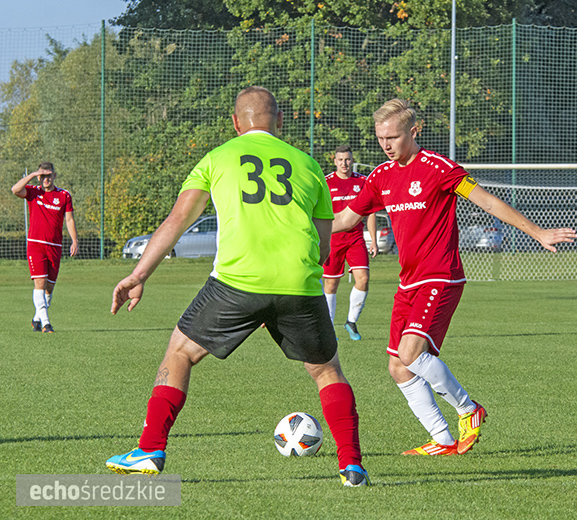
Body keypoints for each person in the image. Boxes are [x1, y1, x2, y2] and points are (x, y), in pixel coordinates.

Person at [105, 86, 369, 487]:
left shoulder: (217, 158)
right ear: (280, 121)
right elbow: (324, 243)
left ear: (235, 123)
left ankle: (149, 449)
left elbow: (178, 220)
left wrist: (138, 275)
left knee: (180, 352)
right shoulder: (308, 164)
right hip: (299, 283)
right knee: (327, 370)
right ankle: (352, 466)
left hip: (236, 284)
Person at [333, 98, 577, 456]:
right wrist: (301, 229)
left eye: (393, 137)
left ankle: (468, 408)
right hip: (408, 282)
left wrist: (537, 232)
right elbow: (345, 219)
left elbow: (488, 202)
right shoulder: (380, 177)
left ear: (414, 131)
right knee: (398, 367)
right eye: (380, 138)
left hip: (440, 276)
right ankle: (443, 439)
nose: (386, 145)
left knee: (410, 353)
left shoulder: (439, 169)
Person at [11, 162, 79, 333]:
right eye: (42, 176)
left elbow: (69, 219)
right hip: (36, 244)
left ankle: (36, 318)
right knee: (40, 283)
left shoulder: (64, 195)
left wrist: (75, 240)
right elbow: (15, 189)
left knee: (49, 287)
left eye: (48, 176)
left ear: (54, 176)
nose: (45, 179)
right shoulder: (33, 192)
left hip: (55, 246)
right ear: (39, 177)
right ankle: (46, 324)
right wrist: (33, 174)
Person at [322, 145, 377, 340]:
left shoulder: (362, 181)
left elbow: (370, 212)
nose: (344, 163)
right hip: (333, 240)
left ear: (352, 160)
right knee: (331, 284)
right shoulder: (326, 182)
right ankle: (328, 328)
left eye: (347, 159)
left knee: (363, 279)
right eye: (340, 160)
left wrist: (373, 240)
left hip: (355, 239)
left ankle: (351, 321)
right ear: (334, 161)